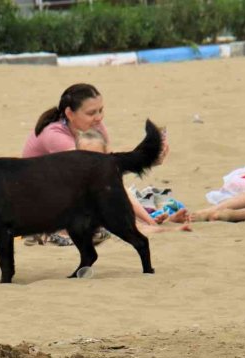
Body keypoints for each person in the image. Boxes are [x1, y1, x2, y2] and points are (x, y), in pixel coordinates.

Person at [22, 83, 170, 245]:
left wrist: (149, 158)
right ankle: (139, 224)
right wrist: (146, 159)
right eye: (91, 113)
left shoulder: (96, 126)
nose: (99, 117)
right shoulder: (55, 135)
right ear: (70, 113)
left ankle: (146, 223)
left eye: (101, 110)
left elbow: (112, 170)